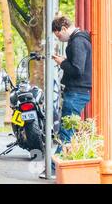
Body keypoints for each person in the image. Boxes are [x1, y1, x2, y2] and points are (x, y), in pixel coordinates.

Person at [40, 16, 92, 179]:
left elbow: (77, 69)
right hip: (77, 91)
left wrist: (63, 62)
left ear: (63, 28)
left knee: (66, 132)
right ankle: (61, 167)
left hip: (77, 92)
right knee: (67, 131)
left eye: (58, 35)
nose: (59, 39)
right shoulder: (79, 40)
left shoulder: (77, 42)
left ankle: (55, 168)